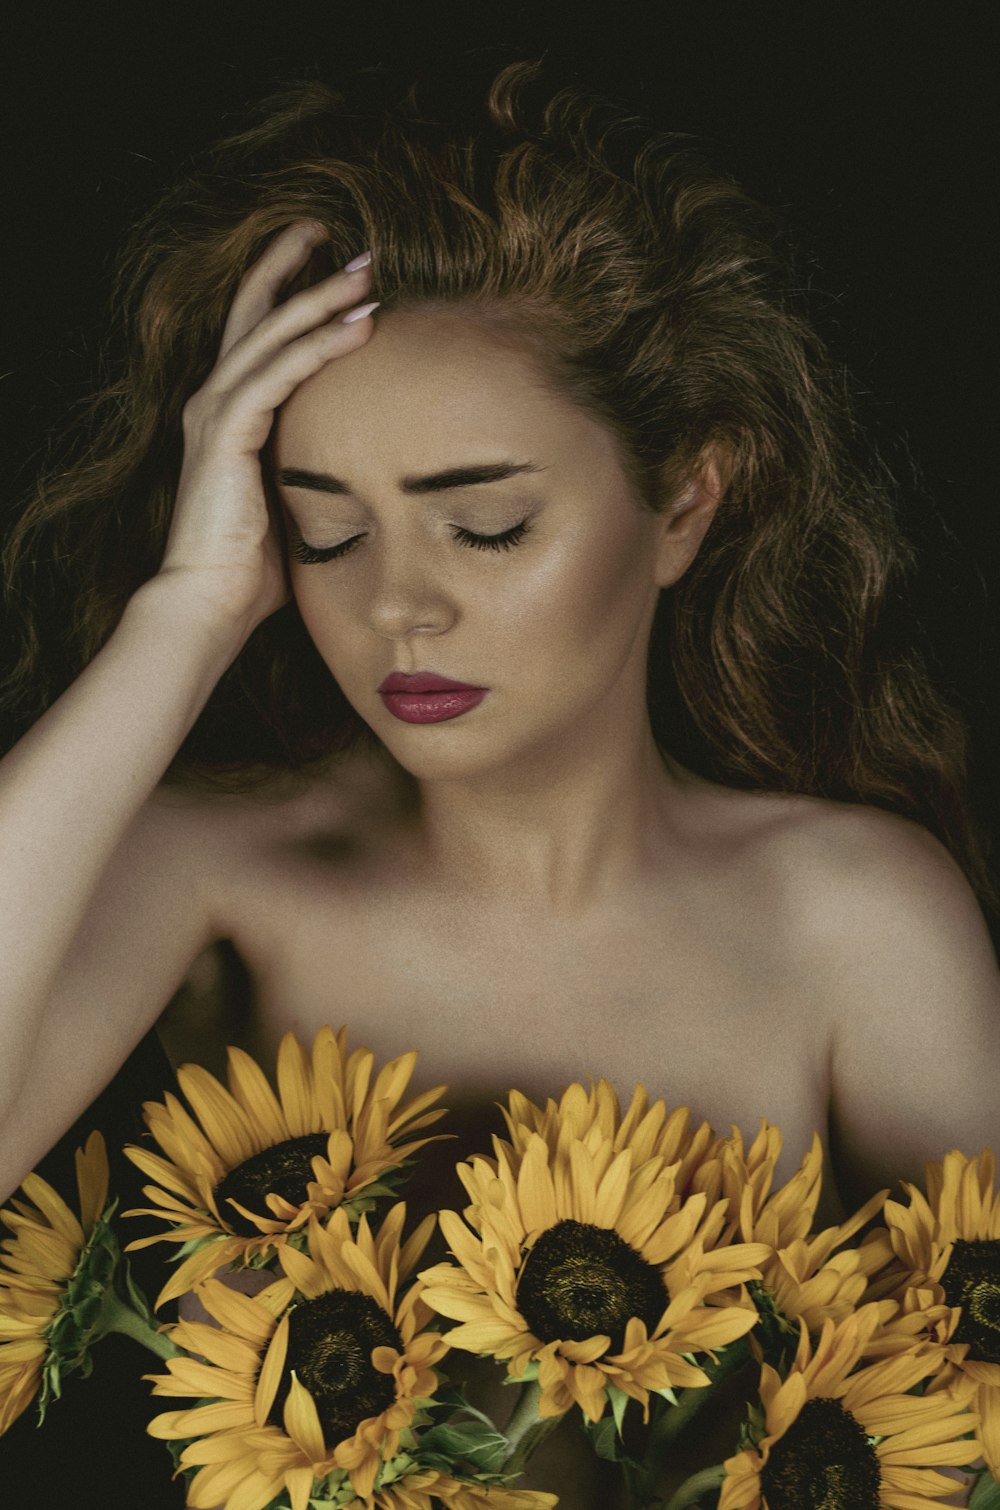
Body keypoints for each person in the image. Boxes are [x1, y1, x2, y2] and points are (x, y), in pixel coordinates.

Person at [1, 55, 997, 1503]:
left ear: (683, 500)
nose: (401, 605)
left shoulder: (854, 919)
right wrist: (191, 609)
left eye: (485, 525)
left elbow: (963, 1411)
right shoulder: (221, 876)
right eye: (326, 531)